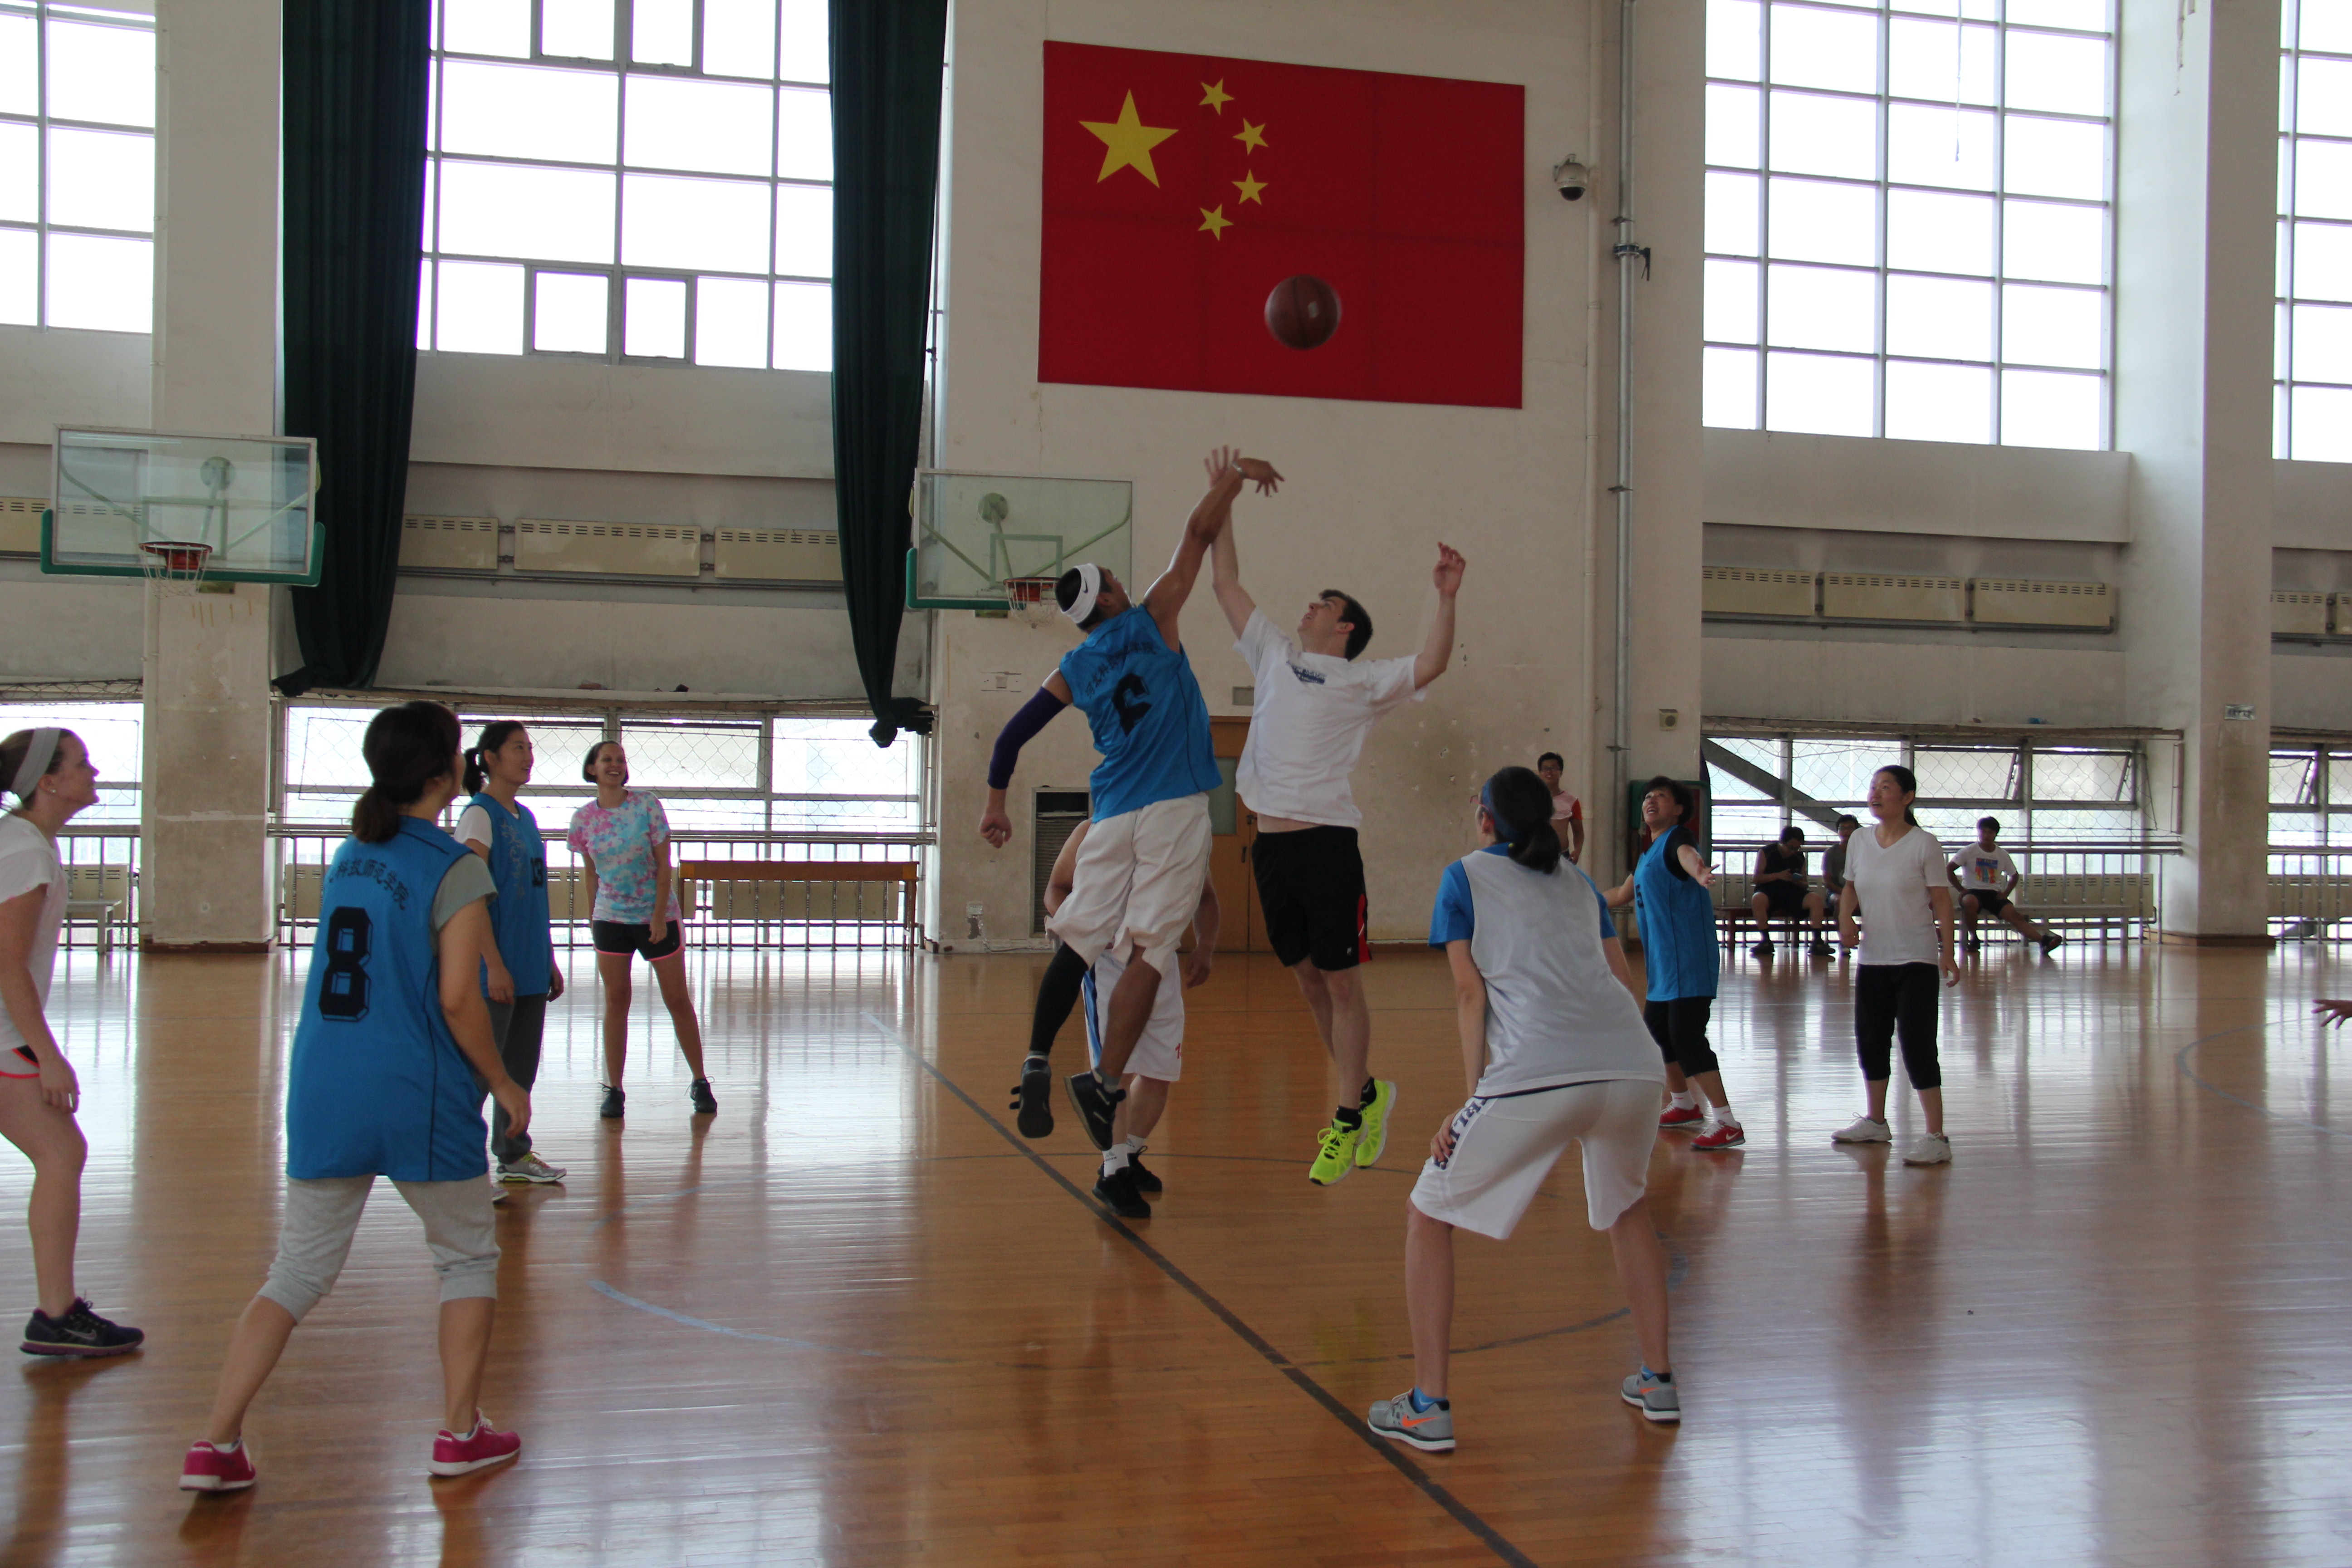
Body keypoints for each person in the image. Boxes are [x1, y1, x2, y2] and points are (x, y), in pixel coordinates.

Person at [180, 702, 528, 1491]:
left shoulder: (350, 854)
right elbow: (459, 999)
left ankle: (215, 1442)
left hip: (324, 1084)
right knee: (467, 1258)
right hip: (414, 1087)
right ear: (446, 772)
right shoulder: (453, 866)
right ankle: (459, 1433)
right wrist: (504, 1081)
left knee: (296, 1272)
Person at [1368, 766, 1677, 1454]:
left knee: (1426, 1214)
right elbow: (1622, 979)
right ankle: (1659, 1381)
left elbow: (1469, 995)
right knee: (1628, 1210)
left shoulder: (1464, 877)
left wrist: (1470, 1100)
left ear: (1485, 818)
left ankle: (1428, 1405)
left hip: (1541, 1072)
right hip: (1633, 1064)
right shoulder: (1580, 883)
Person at [980, 447, 1271, 1152]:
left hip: (1110, 813)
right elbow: (1197, 535)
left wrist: (995, 806)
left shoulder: (1074, 666)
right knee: (1151, 947)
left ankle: (1037, 1057)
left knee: (1079, 940)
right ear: (1109, 599)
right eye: (1113, 578)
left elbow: (1011, 736)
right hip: (1172, 807)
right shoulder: (1153, 616)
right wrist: (1233, 481)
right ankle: (1105, 1081)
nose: (1121, 580)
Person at [1208, 495, 1465, 1185]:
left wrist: (1445, 597)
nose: (1309, 608)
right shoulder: (1273, 654)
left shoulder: (1364, 680)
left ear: (1345, 625)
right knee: (1307, 979)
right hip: (1270, 848)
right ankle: (1370, 1093)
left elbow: (1432, 663)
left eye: (1323, 604)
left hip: (1326, 845)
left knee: (1342, 984)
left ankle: (1348, 1117)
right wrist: (1222, 504)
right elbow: (1225, 582)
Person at [0, 728, 141, 1358]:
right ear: (49, 782)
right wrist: (48, 1057)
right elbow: (8, 967)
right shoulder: (25, 851)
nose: (95, 772)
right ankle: (55, 1316)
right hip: (4, 1039)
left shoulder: (23, 842)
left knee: (63, 1153)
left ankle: (57, 1314)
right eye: (82, 764)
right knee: (62, 1153)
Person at [1040, 818, 1220, 1218]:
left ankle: (1130, 1155)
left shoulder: (1177, 830)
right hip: (1105, 964)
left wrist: (1205, 947)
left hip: (1159, 960)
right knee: (1114, 1075)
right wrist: (1080, 926)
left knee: (1160, 1071)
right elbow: (1056, 889)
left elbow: (1206, 897)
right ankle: (1112, 1172)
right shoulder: (1090, 832)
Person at [569, 741, 714, 1121]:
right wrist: (593, 917)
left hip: (655, 916)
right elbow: (590, 873)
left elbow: (665, 866)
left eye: (620, 759)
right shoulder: (583, 819)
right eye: (607, 760)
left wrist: (657, 916)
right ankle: (614, 1089)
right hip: (611, 919)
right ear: (592, 769)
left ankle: (700, 1081)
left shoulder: (646, 806)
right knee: (616, 1000)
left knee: (677, 999)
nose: (615, 765)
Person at [1830, 764, 1960, 1166]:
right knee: (1871, 1040)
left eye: (1886, 787)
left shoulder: (1925, 844)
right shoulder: (1859, 841)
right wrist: (1845, 919)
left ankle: (1936, 1136)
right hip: (1874, 958)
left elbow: (1942, 901)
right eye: (1873, 787)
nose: (1875, 794)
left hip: (1915, 959)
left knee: (1918, 1045)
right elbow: (1850, 888)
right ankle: (1876, 1121)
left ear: (1907, 798)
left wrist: (1948, 951)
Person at [456, 723, 568, 1185]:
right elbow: (471, 896)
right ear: (490, 758)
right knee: (481, 1072)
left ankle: (513, 1154)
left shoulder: (526, 817)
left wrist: (548, 959)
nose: (528, 757)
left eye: (530, 748)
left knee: (520, 1068)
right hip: (495, 971)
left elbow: (534, 896)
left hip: (530, 965)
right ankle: (459, 1165)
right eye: (517, 748)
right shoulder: (479, 816)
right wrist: (493, 964)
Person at [1606, 776, 1741, 1150]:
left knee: (1686, 1037)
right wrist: (1575, 899)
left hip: (1688, 962)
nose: (1651, 801)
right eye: (1647, 796)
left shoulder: (1678, 839)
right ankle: (1683, 1104)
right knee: (1657, 1035)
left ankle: (1727, 1121)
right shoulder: (1648, 856)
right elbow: (1621, 893)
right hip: (1665, 969)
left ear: (1679, 809)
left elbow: (1689, 858)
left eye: (1661, 796)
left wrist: (1700, 872)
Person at [1948, 817, 2064, 956]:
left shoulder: (2002, 854)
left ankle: (2043, 941)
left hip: (1993, 893)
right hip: (1972, 891)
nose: (1986, 835)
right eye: (1983, 832)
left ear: (1995, 834)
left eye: (1990, 832)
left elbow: (2014, 875)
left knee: (2014, 915)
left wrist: (2006, 893)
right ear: (1978, 832)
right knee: (1970, 902)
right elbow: (1950, 869)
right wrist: (1961, 890)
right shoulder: (1968, 851)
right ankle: (1974, 937)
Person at [1747, 825, 1831, 958]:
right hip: (1769, 891)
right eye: (1790, 848)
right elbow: (1757, 878)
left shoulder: (1799, 857)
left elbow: (1805, 882)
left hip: (1792, 892)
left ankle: (1817, 941)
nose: (1793, 852)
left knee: (1815, 899)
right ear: (1782, 842)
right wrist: (1778, 876)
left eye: (1797, 848)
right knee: (1757, 898)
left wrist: (1798, 882)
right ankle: (1765, 940)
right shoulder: (1767, 852)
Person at [1536, 752, 1586, 865]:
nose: (1549, 772)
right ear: (1540, 772)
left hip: (1562, 856)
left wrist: (1577, 850)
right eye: (1545, 769)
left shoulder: (1572, 801)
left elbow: (1579, 832)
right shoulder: (1531, 799)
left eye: (1554, 768)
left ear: (1561, 772)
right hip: (1536, 855)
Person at [1821, 814, 1860, 946]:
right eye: (1842, 828)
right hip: (1835, 893)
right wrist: (1847, 894)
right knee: (1841, 901)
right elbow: (1827, 882)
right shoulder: (1830, 853)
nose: (1846, 831)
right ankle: (1845, 939)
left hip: (1859, 892)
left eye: (1850, 828)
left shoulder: (1863, 852)